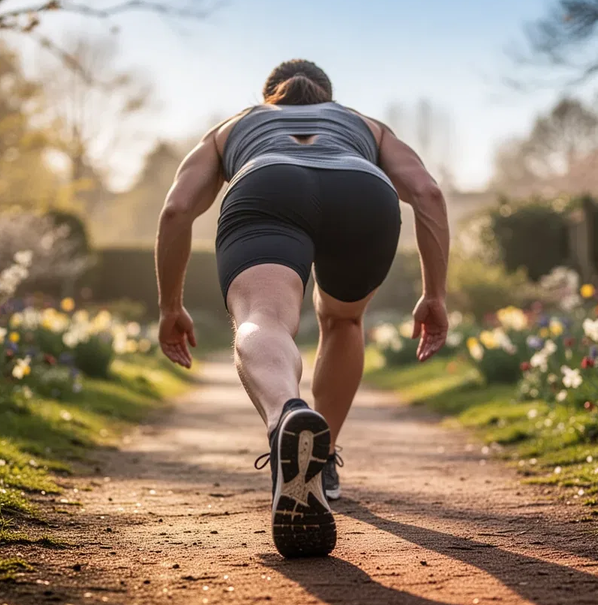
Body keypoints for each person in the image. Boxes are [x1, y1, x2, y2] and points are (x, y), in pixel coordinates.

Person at [154, 59, 450, 558]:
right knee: (343, 319)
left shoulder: (235, 126)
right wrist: (435, 295)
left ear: (270, 96)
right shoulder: (366, 126)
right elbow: (427, 192)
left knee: (263, 319)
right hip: (362, 190)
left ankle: (285, 416)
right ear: (328, 98)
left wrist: (169, 306)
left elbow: (176, 209)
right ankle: (322, 456)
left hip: (268, 185)